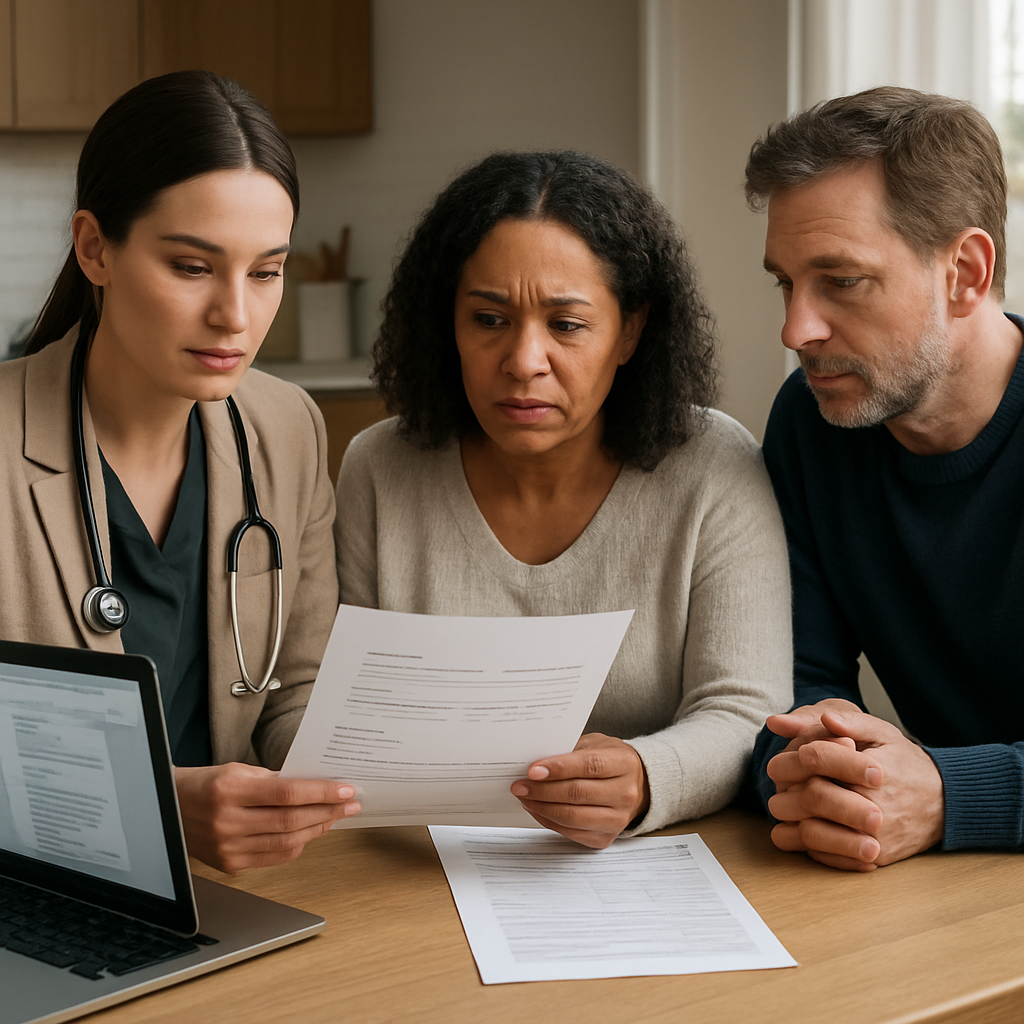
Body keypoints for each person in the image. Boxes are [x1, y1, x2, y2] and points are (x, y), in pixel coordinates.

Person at [335, 150, 792, 848]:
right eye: (488, 320)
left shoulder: (714, 468)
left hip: (657, 868)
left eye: (567, 325)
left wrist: (645, 775)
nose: (523, 360)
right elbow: (344, 715)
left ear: (630, 332)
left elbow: (745, 709)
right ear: (447, 323)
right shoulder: (378, 468)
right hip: (412, 863)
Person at [0, 70, 360, 874]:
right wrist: (157, 806)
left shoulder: (286, 429)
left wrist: (335, 780)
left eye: (266, 272)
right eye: (193, 267)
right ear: (95, 248)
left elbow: (296, 687)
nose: (236, 314)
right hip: (43, 894)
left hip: (241, 890)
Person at [745, 86, 1024, 870]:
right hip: (932, 887)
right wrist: (821, 777)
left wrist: (950, 794)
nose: (796, 329)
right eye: (786, 282)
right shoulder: (814, 421)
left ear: (965, 273)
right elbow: (788, 690)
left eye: (841, 280)